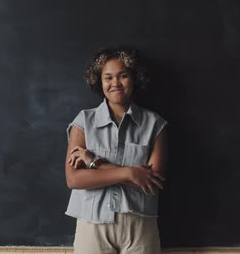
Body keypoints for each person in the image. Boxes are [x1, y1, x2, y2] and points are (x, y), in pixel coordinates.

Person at [65, 47, 168, 254]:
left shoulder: (155, 125)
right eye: (108, 77)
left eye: (123, 76)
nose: (115, 84)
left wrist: (94, 163)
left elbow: (151, 182)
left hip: (140, 225)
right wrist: (129, 173)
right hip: (92, 223)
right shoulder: (83, 122)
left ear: (135, 78)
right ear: (99, 81)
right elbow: (74, 180)